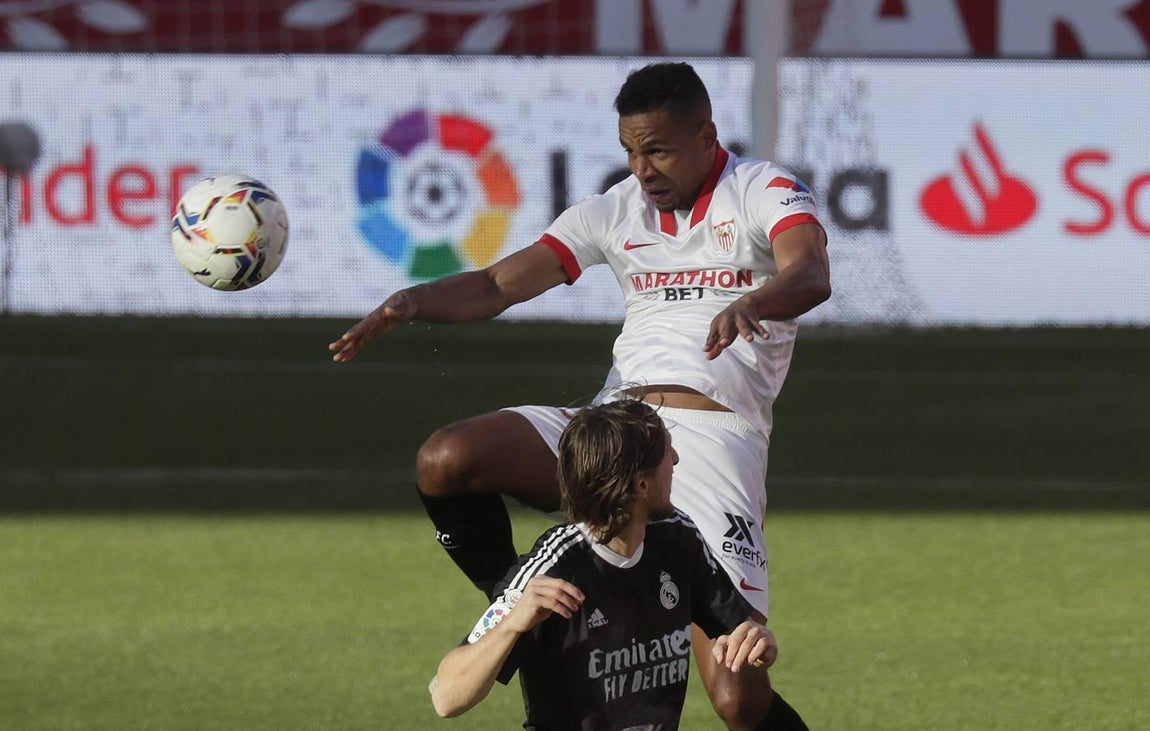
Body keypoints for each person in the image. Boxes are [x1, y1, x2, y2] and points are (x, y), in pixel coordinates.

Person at [330, 62, 828, 730]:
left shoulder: (761, 188)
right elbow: (499, 284)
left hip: (709, 443)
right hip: (609, 423)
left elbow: (811, 271)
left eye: (657, 149)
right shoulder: (617, 209)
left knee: (738, 697)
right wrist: (411, 300)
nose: (642, 167)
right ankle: (522, 597)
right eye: (629, 150)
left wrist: (756, 300)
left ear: (706, 134)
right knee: (447, 458)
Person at [430, 399, 780, 729]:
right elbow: (445, 698)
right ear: (640, 484)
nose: (675, 460)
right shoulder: (553, 570)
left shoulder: (679, 540)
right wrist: (512, 625)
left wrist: (760, 641)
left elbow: (742, 634)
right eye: (665, 452)